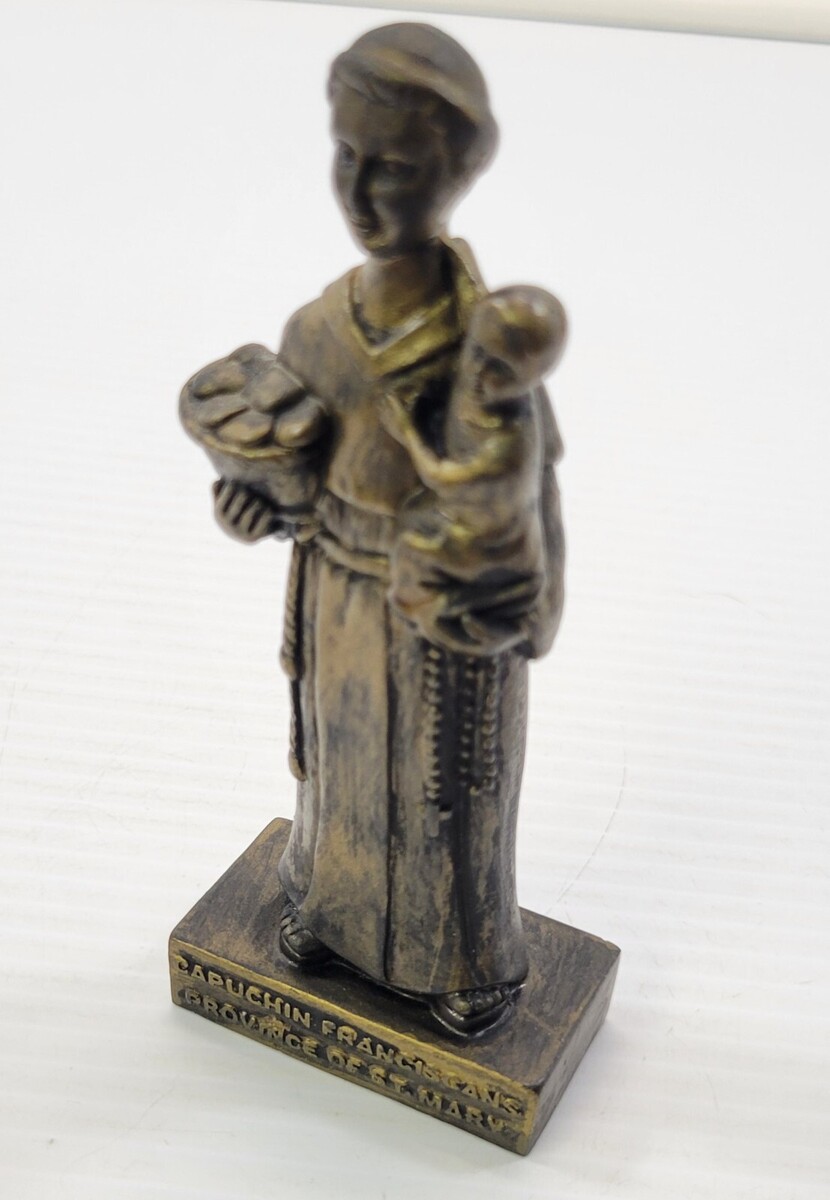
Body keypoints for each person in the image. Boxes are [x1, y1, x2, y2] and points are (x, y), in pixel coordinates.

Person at [188, 23, 566, 1035]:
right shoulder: (317, 329)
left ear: (457, 171)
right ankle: (327, 911)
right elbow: (291, 473)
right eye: (345, 155)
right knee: (341, 765)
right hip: (338, 595)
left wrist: (519, 604)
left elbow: (530, 500)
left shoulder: (487, 349)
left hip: (441, 622)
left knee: (445, 797)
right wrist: (252, 506)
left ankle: (462, 963)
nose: (359, 193)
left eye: (392, 167)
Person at [382, 285, 567, 635]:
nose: (478, 372)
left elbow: (442, 477)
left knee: (413, 549)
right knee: (411, 520)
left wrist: (406, 429)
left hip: (494, 548)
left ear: (531, 380)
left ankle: (427, 617)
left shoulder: (509, 446)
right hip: (464, 519)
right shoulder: (472, 387)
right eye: (477, 351)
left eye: (501, 370)